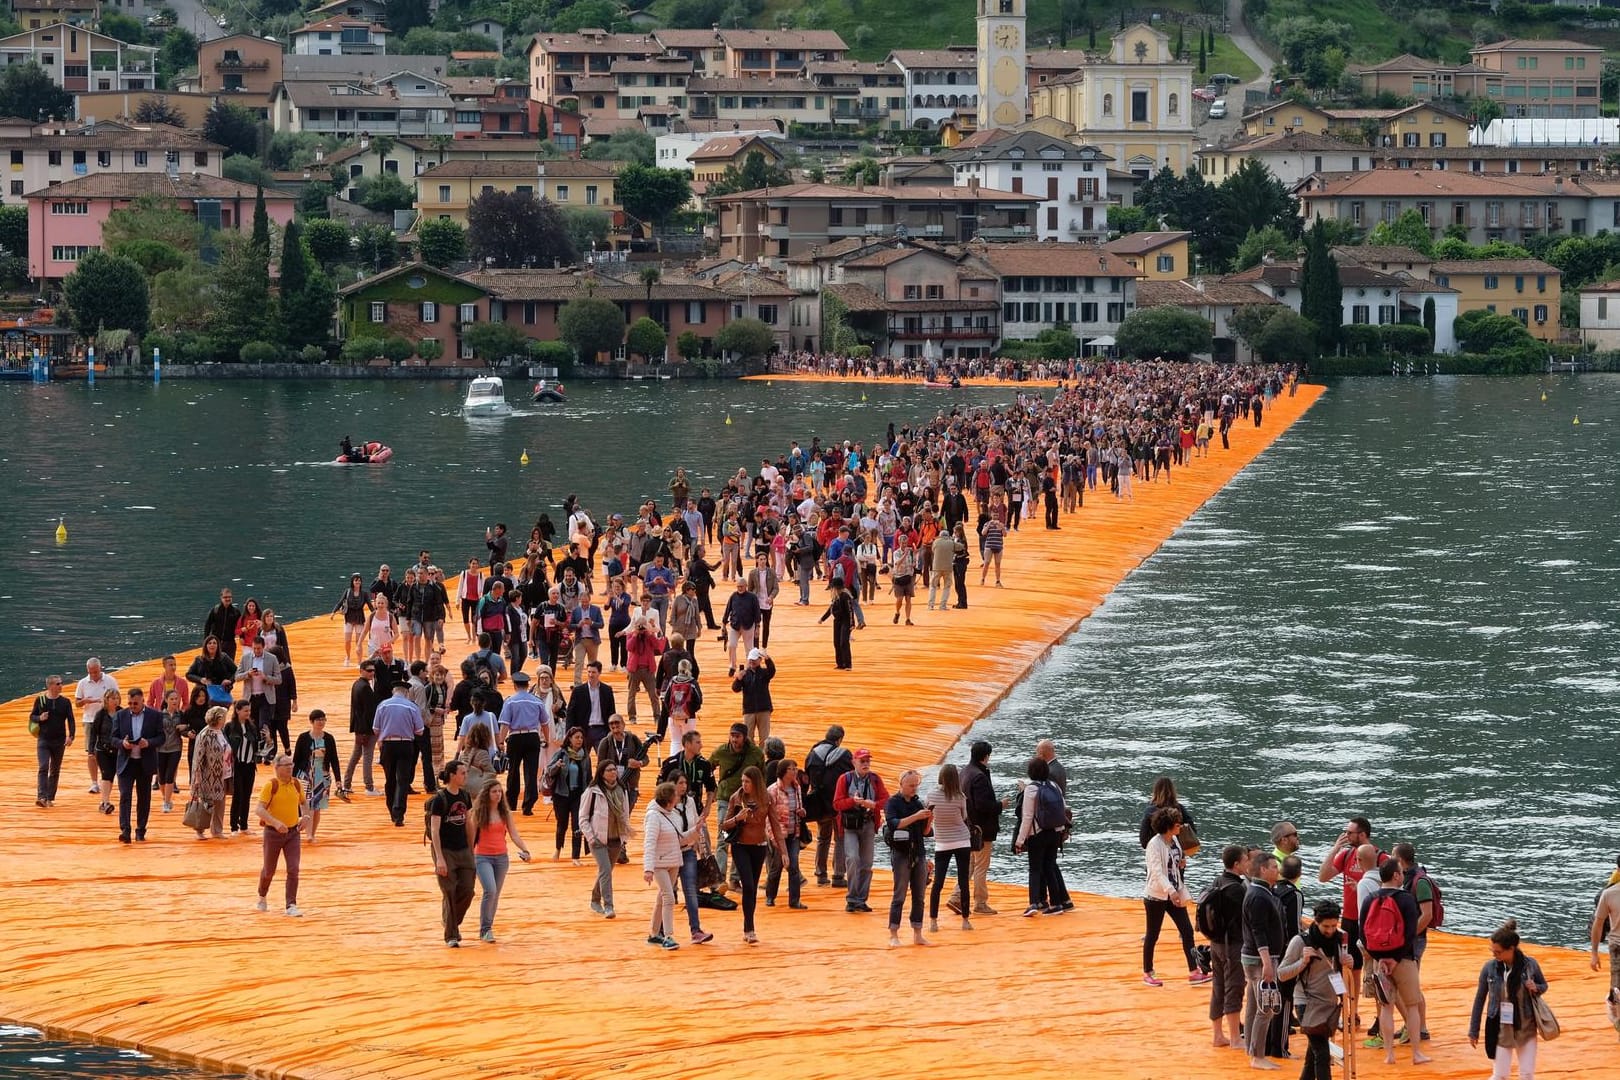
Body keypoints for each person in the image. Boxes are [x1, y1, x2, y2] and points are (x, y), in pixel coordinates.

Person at [1362, 858, 1431, 1066]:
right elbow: (1411, 933)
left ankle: (1389, 1054)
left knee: (1386, 1007)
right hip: (1404, 960)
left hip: (1379, 962)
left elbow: (1363, 934)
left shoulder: (1369, 899)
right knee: (1411, 1006)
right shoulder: (1406, 899)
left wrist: (1380, 958)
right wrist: (1396, 958)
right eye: (1400, 872)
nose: (1403, 874)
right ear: (1396, 876)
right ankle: (1416, 1053)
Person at [1276, 900, 1352, 1080]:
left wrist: (1349, 962)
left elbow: (1344, 967)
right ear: (1315, 922)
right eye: (1326, 926)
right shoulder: (1300, 942)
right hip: (1307, 1003)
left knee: (1313, 1057)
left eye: (1334, 925)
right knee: (1323, 1054)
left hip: (1329, 1004)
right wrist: (1302, 962)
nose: (1330, 930)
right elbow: (1281, 974)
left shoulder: (1339, 939)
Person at [1469, 919, 1548, 1080]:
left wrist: (1536, 988)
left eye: (1498, 952)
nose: (1494, 955)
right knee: (1500, 1075)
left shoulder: (1530, 965)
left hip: (1525, 1026)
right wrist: (1473, 1030)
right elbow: (1479, 999)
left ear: (1511, 949)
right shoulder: (1489, 968)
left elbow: (1544, 985)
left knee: (1526, 1075)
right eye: (1493, 951)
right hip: (1500, 1028)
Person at [719, 765, 783, 945]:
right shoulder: (736, 798)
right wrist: (737, 819)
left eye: (747, 781)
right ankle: (749, 928)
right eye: (742, 781)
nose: (744, 785)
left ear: (755, 783)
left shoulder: (766, 799)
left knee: (752, 888)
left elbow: (775, 825)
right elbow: (724, 825)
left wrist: (783, 851)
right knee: (747, 884)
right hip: (741, 846)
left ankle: (749, 926)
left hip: (759, 846)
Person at [1142, 806, 1202, 986]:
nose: (1181, 827)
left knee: (1187, 930)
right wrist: (1171, 891)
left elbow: (1175, 862)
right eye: (1178, 824)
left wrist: (1182, 862)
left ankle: (1194, 970)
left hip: (1173, 892)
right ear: (1169, 826)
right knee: (1153, 934)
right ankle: (1148, 971)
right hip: (1156, 896)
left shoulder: (1174, 839)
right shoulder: (1154, 844)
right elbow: (1157, 871)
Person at [468, 777, 530, 943]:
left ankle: (488, 927)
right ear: (487, 794)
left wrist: (525, 849)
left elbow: (514, 834)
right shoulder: (479, 813)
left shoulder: (505, 813)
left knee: (495, 894)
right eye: (494, 791)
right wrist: (469, 859)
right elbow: (471, 838)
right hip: (482, 857)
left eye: (499, 791)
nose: (497, 795)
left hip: (501, 857)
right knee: (490, 890)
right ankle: (485, 929)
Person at [1241, 852, 1287, 1070]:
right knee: (1266, 1007)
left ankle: (1251, 1048)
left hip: (1254, 957)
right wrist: (1267, 962)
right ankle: (1257, 1056)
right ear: (1262, 870)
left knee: (1253, 1004)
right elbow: (1259, 932)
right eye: (1274, 867)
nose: (1277, 871)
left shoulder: (1258, 892)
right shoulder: (1259, 896)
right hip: (1261, 960)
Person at [426, 760, 476, 947]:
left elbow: (469, 822)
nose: (465, 776)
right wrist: (439, 858)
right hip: (445, 850)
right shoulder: (440, 800)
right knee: (449, 891)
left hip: (463, 849)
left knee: (467, 890)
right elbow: (434, 830)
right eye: (462, 773)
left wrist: (472, 849)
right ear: (452, 775)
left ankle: (450, 921)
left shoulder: (465, 795)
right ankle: (451, 935)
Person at [1013, 756, 1071, 917]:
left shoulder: (1031, 789)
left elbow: (1027, 817)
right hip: (1054, 832)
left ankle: (1033, 903)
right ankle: (1056, 903)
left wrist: (1020, 840)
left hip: (1037, 834)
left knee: (1035, 869)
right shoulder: (1054, 786)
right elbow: (1063, 808)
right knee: (1050, 866)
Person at [833, 747, 889, 913]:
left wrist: (874, 805)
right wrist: (853, 802)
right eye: (862, 761)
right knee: (852, 858)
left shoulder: (875, 779)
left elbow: (886, 800)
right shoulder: (845, 779)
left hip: (868, 823)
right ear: (854, 762)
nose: (865, 764)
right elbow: (836, 804)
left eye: (867, 761)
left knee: (866, 863)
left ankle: (860, 899)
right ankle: (852, 897)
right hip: (850, 825)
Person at [711, 722, 764, 887]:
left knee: (742, 837)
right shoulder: (721, 751)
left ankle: (734, 879)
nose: (734, 739)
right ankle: (720, 879)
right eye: (732, 735)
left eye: (737, 736)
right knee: (723, 837)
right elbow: (708, 767)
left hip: (746, 800)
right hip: (725, 799)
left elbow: (761, 775)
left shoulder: (755, 753)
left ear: (745, 737)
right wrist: (713, 788)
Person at [885, 768, 933, 947]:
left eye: (916, 786)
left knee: (919, 895)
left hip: (918, 851)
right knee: (899, 894)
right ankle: (893, 933)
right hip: (901, 853)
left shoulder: (918, 803)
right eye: (911, 785)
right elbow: (894, 824)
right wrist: (916, 816)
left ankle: (917, 932)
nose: (914, 789)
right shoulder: (892, 803)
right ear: (902, 784)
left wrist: (929, 818)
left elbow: (925, 831)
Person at [254, 754, 306, 917]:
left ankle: (291, 904)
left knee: (293, 868)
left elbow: (304, 803)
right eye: (286, 765)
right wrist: (275, 823)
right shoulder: (271, 785)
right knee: (269, 870)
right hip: (273, 834)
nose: (290, 768)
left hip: (293, 833)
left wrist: (306, 817)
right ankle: (262, 895)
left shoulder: (296, 784)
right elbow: (259, 809)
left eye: (291, 764)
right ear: (277, 768)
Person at [925, 763, 973, 933]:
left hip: (942, 842)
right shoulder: (960, 796)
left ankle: (933, 921)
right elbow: (964, 816)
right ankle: (965, 920)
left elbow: (927, 813)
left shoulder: (931, 795)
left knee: (938, 882)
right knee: (963, 881)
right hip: (961, 840)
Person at [803, 725, 853, 889]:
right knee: (840, 839)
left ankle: (821, 874)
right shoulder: (844, 755)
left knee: (823, 838)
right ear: (839, 739)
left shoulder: (812, 754)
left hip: (818, 803)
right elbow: (850, 779)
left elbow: (806, 778)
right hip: (837, 804)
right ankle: (838, 875)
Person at [580, 758, 630, 918]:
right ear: (601, 773)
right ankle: (608, 906)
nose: (613, 772)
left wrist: (624, 836)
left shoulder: (622, 790)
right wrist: (590, 836)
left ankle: (595, 899)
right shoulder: (592, 791)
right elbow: (582, 817)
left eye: (614, 769)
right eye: (609, 770)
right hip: (598, 839)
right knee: (606, 870)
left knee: (605, 872)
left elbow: (625, 814)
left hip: (616, 838)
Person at [373, 679, 425, 828]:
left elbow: (376, 728)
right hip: (406, 744)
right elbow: (419, 730)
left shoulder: (382, 705)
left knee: (390, 779)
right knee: (403, 780)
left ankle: (391, 809)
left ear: (393, 691)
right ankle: (399, 813)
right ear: (406, 692)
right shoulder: (412, 706)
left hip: (388, 745)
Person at [112, 687, 161, 844]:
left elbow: (161, 737)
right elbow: (112, 738)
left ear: (142, 701)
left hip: (144, 762)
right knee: (125, 795)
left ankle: (141, 829)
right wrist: (122, 743)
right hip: (126, 763)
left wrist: (149, 743)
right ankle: (125, 830)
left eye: (135, 703)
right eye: (130, 703)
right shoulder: (120, 715)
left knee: (144, 797)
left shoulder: (155, 715)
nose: (132, 706)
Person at [960, 740, 1004, 915]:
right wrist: (1000, 805)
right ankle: (980, 902)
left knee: (970, 864)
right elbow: (983, 805)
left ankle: (956, 896)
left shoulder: (964, 772)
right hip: (981, 829)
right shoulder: (979, 776)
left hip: (968, 826)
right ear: (986, 756)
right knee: (980, 866)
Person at [641, 780, 685, 950]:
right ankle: (668, 935)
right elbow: (649, 843)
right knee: (669, 897)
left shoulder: (673, 814)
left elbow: (679, 837)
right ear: (669, 799)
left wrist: (695, 832)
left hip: (673, 861)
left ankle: (653, 933)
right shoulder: (653, 816)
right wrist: (648, 869)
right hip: (659, 864)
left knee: (662, 897)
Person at [497, 671, 546, 815]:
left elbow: (505, 724)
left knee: (513, 770)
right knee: (531, 772)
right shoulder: (537, 701)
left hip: (515, 738)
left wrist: (501, 742)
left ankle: (511, 802)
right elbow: (545, 723)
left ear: (515, 685)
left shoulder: (510, 701)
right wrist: (546, 740)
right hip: (532, 737)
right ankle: (528, 805)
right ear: (527, 684)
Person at [292, 710, 341, 842]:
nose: (321, 722)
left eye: (323, 719)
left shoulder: (329, 738)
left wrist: (338, 779)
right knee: (308, 804)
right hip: (305, 776)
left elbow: (334, 759)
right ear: (312, 722)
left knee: (317, 807)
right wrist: (292, 778)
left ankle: (312, 833)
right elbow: (296, 759)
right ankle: (308, 834)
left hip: (322, 776)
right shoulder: (303, 738)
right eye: (318, 719)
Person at [764, 760, 807, 910]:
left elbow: (799, 807)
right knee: (777, 866)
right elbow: (769, 816)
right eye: (791, 769)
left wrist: (802, 812)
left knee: (794, 865)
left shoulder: (797, 788)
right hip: (779, 834)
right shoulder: (773, 790)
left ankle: (794, 901)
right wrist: (772, 835)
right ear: (783, 771)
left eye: (795, 768)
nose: (794, 771)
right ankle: (770, 896)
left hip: (793, 832)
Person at [546, 727, 591, 862]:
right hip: (561, 795)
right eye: (576, 737)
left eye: (581, 738)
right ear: (569, 739)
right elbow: (549, 771)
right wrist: (557, 766)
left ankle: (575, 856)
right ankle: (558, 849)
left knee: (577, 825)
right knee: (562, 824)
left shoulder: (585, 757)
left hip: (578, 795)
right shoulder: (561, 754)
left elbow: (589, 777)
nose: (579, 740)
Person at [29, 674, 75, 808]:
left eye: (61, 683)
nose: (61, 686)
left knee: (55, 769)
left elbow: (70, 719)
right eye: (58, 684)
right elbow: (32, 716)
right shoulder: (41, 700)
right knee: (43, 766)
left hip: (59, 740)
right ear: (50, 686)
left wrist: (71, 736)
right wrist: (40, 718)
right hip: (44, 739)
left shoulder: (65, 702)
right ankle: (41, 796)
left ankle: (49, 797)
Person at [75, 657, 117, 799]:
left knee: (108, 748)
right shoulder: (82, 683)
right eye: (90, 672)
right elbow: (77, 703)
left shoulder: (110, 681)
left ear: (101, 668)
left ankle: (107, 776)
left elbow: (116, 697)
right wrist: (85, 701)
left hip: (107, 718)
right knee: (91, 752)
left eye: (95, 672)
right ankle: (94, 782)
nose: (93, 674)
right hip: (90, 719)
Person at [191, 706, 230, 840]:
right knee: (206, 803)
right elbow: (199, 757)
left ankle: (217, 830)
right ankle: (199, 829)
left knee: (220, 802)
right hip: (208, 775)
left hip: (222, 774)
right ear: (219, 718)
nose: (226, 719)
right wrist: (198, 777)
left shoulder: (220, 731)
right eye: (224, 716)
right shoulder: (205, 734)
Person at [223, 700, 261, 836]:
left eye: (249, 711)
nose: (248, 713)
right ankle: (234, 826)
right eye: (245, 710)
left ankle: (244, 825)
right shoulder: (230, 727)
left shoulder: (252, 727)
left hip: (249, 765)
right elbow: (225, 745)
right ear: (237, 710)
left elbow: (257, 745)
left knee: (247, 795)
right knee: (237, 795)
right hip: (236, 765)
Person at [234, 636, 283, 735]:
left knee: (263, 725)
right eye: (254, 648)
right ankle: (255, 749)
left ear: (263, 647)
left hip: (265, 697)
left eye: (259, 648)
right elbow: (236, 677)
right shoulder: (245, 658)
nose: (256, 650)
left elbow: (279, 680)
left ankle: (265, 747)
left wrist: (266, 677)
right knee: (252, 726)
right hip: (250, 697)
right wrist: (248, 674)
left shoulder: (272, 658)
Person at [343, 660, 378, 797]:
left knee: (356, 755)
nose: (372, 673)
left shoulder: (357, 684)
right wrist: (368, 730)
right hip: (366, 729)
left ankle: (347, 784)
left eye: (373, 671)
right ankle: (369, 787)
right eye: (369, 671)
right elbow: (368, 712)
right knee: (367, 757)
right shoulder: (364, 687)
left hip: (360, 728)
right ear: (362, 670)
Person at [565, 661, 615, 750]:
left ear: (599, 673)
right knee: (581, 759)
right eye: (589, 672)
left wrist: (611, 730)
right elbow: (570, 713)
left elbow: (611, 712)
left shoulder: (607, 690)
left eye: (593, 672)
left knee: (604, 760)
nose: (591, 675)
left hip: (601, 731)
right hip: (583, 731)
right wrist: (569, 732)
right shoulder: (578, 691)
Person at [730, 647, 775, 744]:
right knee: (748, 737)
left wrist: (767, 658)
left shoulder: (764, 673)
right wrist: (738, 679)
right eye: (750, 660)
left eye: (754, 660)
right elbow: (735, 688)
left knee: (764, 738)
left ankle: (762, 757)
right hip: (749, 710)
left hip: (763, 709)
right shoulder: (744, 674)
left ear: (760, 660)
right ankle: (751, 757)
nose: (751, 662)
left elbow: (772, 670)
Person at [1137, 775, 1196, 848]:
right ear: (1173, 791)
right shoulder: (1180, 809)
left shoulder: (1150, 811)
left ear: (1155, 791)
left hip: (1156, 850)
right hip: (1177, 852)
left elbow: (1143, 840)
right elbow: (1192, 832)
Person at [330, 573, 370, 666]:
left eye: (359, 580)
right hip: (349, 618)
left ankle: (359, 662)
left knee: (358, 641)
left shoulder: (364, 594)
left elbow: (370, 605)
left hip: (359, 618)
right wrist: (333, 612)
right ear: (352, 582)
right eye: (356, 580)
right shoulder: (347, 591)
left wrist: (375, 615)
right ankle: (347, 657)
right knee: (347, 640)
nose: (358, 582)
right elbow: (340, 602)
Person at [819, 578, 856, 670]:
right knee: (836, 642)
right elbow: (830, 610)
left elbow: (850, 610)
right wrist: (822, 618)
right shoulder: (835, 597)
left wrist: (852, 623)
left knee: (844, 642)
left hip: (846, 621)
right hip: (837, 621)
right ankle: (840, 663)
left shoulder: (845, 596)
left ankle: (848, 664)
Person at [202, 588, 240, 661]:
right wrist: (205, 641)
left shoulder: (236, 612)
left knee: (229, 664)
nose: (227, 599)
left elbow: (240, 626)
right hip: (216, 642)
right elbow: (207, 626)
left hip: (230, 643)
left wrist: (242, 637)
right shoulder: (215, 610)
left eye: (229, 597)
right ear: (221, 598)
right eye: (225, 597)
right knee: (214, 663)